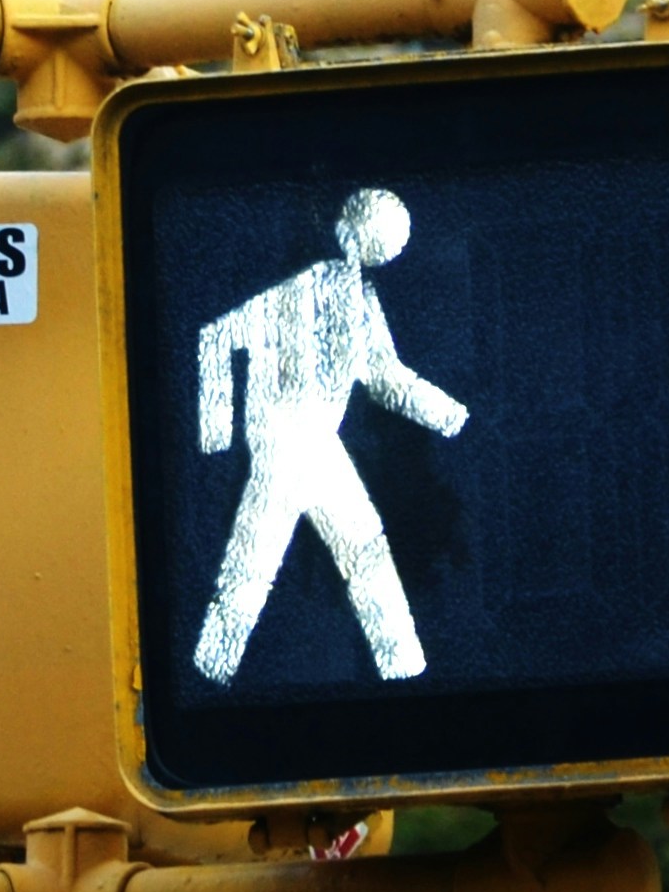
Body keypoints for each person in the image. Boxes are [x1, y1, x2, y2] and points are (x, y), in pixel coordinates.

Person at [190, 186, 465, 684]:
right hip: (284, 441)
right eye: (384, 238)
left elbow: (383, 376)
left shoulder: (363, 298)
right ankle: (210, 672)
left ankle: (404, 671)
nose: (388, 250)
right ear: (359, 235)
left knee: (359, 551)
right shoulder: (301, 289)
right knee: (258, 563)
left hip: (317, 443)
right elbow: (217, 337)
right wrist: (216, 431)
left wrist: (445, 414)